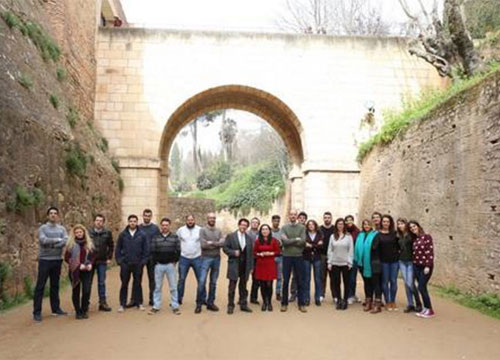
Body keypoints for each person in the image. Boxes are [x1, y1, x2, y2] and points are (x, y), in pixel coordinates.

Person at [33, 207, 68, 322]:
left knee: (55, 285)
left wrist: (52, 244)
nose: (53, 215)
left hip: (57, 259)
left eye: (55, 213)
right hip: (44, 260)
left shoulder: (62, 228)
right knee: (40, 286)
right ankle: (37, 312)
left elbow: (65, 241)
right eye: (51, 213)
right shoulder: (43, 228)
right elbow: (43, 240)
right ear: (48, 216)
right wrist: (58, 240)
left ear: (58, 216)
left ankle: (56, 308)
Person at [115, 214, 149, 312]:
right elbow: (118, 249)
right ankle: (122, 304)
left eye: (134, 221)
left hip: (138, 264)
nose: (132, 223)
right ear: (128, 222)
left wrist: (143, 262)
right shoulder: (123, 235)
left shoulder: (142, 234)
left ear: (137, 222)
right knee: (124, 283)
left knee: (138, 284)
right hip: (125, 264)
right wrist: (120, 261)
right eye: (131, 221)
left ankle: (139, 303)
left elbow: (146, 250)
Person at [148, 218, 181, 315]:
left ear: (169, 226)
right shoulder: (156, 237)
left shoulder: (174, 237)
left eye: (166, 225)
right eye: (163, 225)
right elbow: (152, 251)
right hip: (159, 265)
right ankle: (156, 306)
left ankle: (175, 306)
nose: (165, 227)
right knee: (157, 287)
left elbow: (178, 250)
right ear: (161, 226)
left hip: (170, 265)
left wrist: (174, 261)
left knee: (173, 287)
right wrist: (155, 262)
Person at [223, 218, 254, 314]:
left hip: (245, 266)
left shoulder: (249, 238)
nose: (243, 227)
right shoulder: (231, 236)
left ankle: (243, 304)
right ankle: (230, 305)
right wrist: (233, 252)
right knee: (232, 286)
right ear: (239, 225)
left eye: (245, 225)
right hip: (234, 265)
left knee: (243, 286)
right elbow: (225, 248)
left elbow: (251, 254)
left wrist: (251, 267)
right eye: (242, 225)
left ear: (247, 227)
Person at [64, 224, 95, 319]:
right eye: (76, 232)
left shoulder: (89, 244)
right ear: (74, 234)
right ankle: (78, 311)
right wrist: (78, 265)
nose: (79, 234)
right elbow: (67, 258)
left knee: (86, 290)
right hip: (75, 271)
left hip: (87, 271)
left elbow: (93, 256)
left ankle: (84, 309)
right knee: (76, 291)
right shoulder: (71, 245)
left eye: (80, 232)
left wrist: (90, 264)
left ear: (84, 232)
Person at [280, 209, 307, 313]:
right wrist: (296, 239)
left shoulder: (302, 227)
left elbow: (303, 241)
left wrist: (290, 240)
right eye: (291, 214)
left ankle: (302, 304)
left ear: (297, 216)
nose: (293, 216)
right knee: (285, 280)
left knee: (300, 280)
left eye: (294, 214)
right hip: (286, 256)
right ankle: (284, 303)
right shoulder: (284, 227)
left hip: (298, 256)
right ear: (289, 216)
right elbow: (284, 242)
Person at [409, 220, 435, 319]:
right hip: (416, 266)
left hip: (425, 266)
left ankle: (430, 309)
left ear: (418, 226)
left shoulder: (427, 237)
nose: (413, 229)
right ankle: (426, 308)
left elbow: (430, 252)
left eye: (414, 226)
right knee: (420, 287)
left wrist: (428, 266)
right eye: (411, 228)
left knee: (421, 287)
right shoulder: (415, 239)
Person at [176, 214, 203, 313]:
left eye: (192, 219)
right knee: (181, 279)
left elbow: (203, 242)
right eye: (188, 220)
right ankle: (178, 298)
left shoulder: (200, 230)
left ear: (194, 220)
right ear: (186, 221)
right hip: (184, 258)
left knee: (201, 280)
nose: (190, 221)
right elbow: (177, 241)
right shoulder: (180, 230)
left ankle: (203, 298)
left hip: (197, 258)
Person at [199, 212, 224, 312]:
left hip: (216, 259)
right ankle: (199, 303)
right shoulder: (203, 230)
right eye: (210, 218)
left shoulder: (219, 231)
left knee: (213, 282)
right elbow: (203, 245)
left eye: (213, 218)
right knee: (202, 281)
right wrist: (216, 243)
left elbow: (223, 243)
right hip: (205, 258)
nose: (212, 220)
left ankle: (210, 303)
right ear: (207, 219)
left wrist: (211, 243)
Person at [327, 218, 353, 310]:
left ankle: (345, 300)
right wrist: (329, 262)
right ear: (336, 225)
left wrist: (350, 262)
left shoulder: (348, 236)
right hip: (335, 263)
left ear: (344, 225)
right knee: (336, 282)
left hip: (345, 263)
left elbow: (350, 250)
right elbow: (330, 250)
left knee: (346, 282)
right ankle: (338, 300)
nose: (340, 226)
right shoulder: (332, 236)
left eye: (342, 224)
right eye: (338, 224)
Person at [89, 214, 113, 312]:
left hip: (102, 260)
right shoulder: (89, 232)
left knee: (101, 282)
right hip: (90, 261)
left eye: (101, 221)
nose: (98, 222)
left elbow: (111, 246)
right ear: (94, 221)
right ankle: (85, 302)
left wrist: (109, 257)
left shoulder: (107, 233)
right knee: (88, 282)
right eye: (97, 220)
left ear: (103, 222)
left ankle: (102, 302)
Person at [397, 218, 422, 313]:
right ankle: (410, 304)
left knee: (410, 283)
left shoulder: (411, 235)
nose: (400, 225)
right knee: (406, 284)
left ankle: (418, 303)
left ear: (405, 224)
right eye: (398, 224)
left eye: (402, 223)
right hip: (402, 261)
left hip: (411, 262)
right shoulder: (399, 236)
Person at [253, 224, 281, 311]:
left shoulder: (274, 240)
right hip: (260, 264)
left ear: (269, 231)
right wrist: (259, 254)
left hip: (270, 264)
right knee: (262, 285)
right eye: (263, 229)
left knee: (269, 284)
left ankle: (269, 302)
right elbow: (254, 252)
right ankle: (264, 302)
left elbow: (278, 251)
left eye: (266, 229)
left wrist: (271, 253)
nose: (265, 231)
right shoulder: (258, 241)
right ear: (261, 231)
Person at [353, 219, 378, 312]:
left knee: (373, 282)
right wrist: (357, 259)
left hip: (371, 262)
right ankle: (368, 301)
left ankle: (375, 301)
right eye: (364, 224)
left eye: (368, 224)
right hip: (361, 262)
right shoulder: (360, 235)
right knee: (366, 282)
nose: (366, 226)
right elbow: (356, 247)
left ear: (371, 225)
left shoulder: (375, 234)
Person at [138, 209, 160, 307]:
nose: (147, 217)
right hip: (140, 257)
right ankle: (137, 299)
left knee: (152, 279)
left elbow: (158, 242)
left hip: (152, 257)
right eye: (145, 215)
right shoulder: (138, 228)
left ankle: (153, 299)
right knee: (137, 278)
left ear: (151, 217)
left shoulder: (155, 228)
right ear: (142, 216)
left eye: (148, 216)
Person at [378, 214, 400, 311]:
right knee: (385, 282)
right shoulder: (378, 234)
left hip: (394, 261)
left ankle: (393, 301)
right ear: (381, 223)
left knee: (394, 281)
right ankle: (387, 301)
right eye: (384, 221)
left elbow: (399, 246)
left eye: (387, 221)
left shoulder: (395, 233)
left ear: (390, 223)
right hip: (383, 261)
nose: (386, 223)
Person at [303, 219, 324, 306]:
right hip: (306, 258)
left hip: (317, 258)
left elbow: (321, 247)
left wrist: (310, 245)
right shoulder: (304, 234)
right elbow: (303, 247)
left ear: (315, 225)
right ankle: (307, 298)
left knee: (317, 279)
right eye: (309, 224)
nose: (311, 226)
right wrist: (315, 245)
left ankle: (317, 298)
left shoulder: (320, 234)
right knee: (307, 279)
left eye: (312, 224)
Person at [369, 220, 384, 314]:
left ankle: (378, 303)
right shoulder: (374, 235)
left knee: (380, 282)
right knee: (376, 282)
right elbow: (373, 248)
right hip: (376, 261)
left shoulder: (389, 235)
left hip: (385, 261)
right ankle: (377, 302)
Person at [345, 215, 360, 304]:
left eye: (351, 220)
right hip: (344, 257)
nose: (349, 222)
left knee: (352, 277)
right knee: (346, 277)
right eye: (347, 220)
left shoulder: (357, 231)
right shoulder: (344, 231)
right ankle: (347, 295)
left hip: (354, 257)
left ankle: (352, 295)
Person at [319, 212, 334, 301]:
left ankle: (335, 295)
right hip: (322, 255)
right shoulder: (319, 229)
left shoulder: (334, 229)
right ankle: (321, 294)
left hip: (333, 256)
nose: (327, 219)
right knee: (322, 276)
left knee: (333, 276)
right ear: (323, 218)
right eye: (325, 217)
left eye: (328, 217)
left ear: (331, 218)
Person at [247, 217, 261, 305]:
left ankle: (253, 297)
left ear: (258, 224)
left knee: (256, 279)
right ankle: (242, 297)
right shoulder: (246, 233)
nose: (254, 224)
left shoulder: (262, 233)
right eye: (253, 222)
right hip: (248, 258)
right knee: (244, 279)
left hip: (258, 259)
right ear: (250, 224)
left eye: (256, 223)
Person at [271, 215, 283, 301]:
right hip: (271, 256)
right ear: (272, 221)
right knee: (270, 276)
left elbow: (284, 242)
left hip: (280, 256)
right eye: (275, 221)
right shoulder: (268, 231)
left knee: (279, 276)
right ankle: (269, 292)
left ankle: (278, 292)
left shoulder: (282, 232)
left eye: (278, 221)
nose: (276, 222)